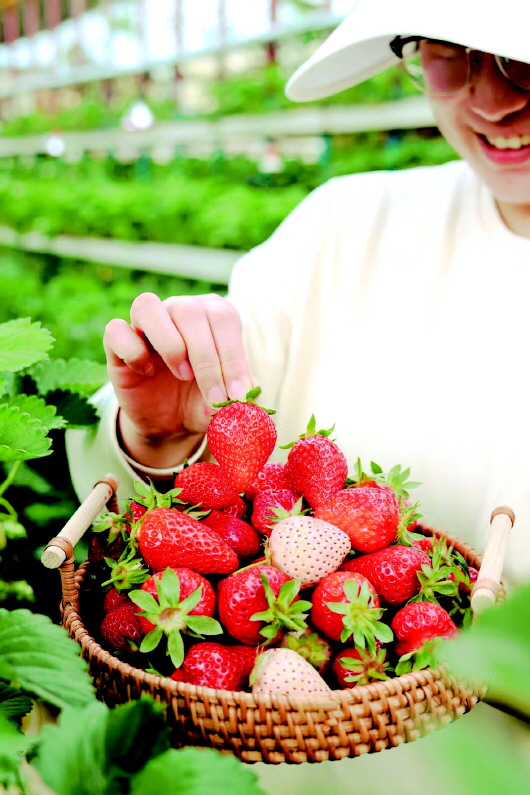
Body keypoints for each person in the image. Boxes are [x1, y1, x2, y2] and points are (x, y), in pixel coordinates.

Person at [67, 0, 530, 587]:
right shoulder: (344, 226)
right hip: (325, 647)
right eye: (448, 55)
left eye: (521, 58)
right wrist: (160, 437)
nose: (491, 101)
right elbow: (146, 518)